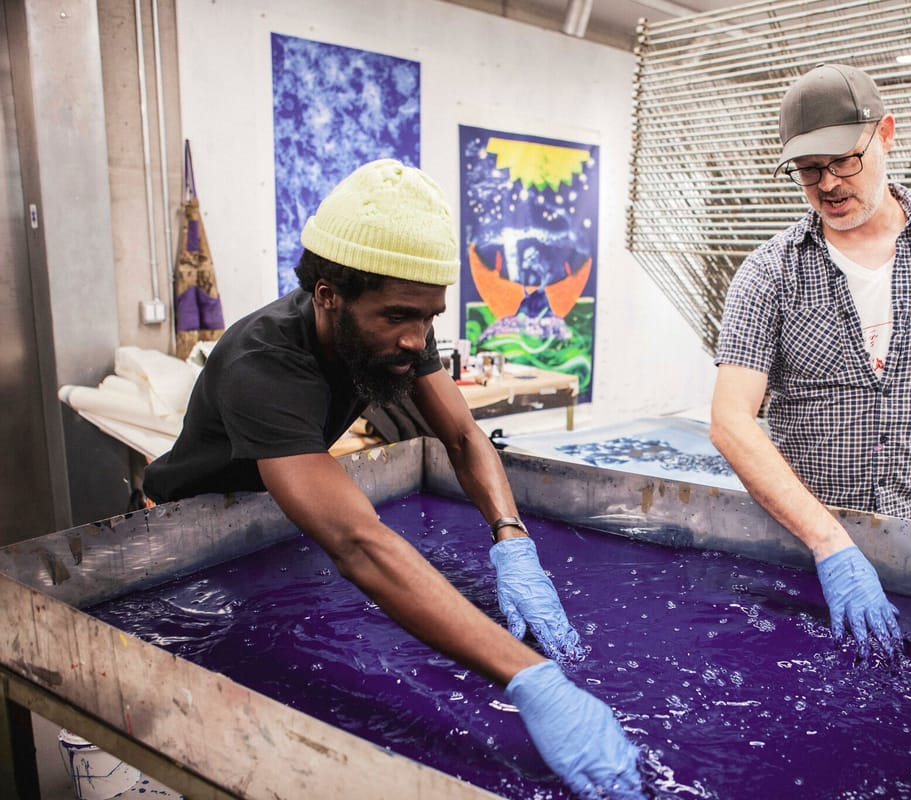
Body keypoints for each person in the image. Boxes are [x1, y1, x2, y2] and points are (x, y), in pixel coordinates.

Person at [143, 160, 643, 798]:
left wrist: (512, 540)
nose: (416, 340)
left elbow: (462, 437)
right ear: (328, 295)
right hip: (183, 541)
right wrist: (532, 678)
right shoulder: (263, 364)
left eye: (429, 318)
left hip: (268, 519)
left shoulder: (399, 332)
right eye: (400, 317)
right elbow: (358, 544)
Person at [710, 64, 911, 653]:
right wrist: (829, 541)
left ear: (886, 134)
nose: (828, 183)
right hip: (802, 548)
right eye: (808, 169)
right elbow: (730, 421)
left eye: (843, 160)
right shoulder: (768, 272)